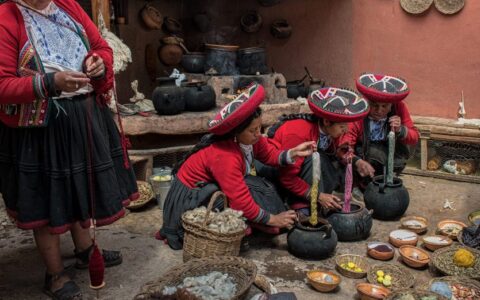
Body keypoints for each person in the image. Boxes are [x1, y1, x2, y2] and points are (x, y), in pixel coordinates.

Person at [0, 0, 138, 299]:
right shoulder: (7, 17)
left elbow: (102, 47)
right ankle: (54, 275)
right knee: (49, 200)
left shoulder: (67, 6)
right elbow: (2, 85)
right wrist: (50, 83)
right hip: (41, 127)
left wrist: (99, 62)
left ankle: (85, 250)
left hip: (84, 115)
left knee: (79, 187)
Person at [157, 83, 316, 250]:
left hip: (211, 186)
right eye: (252, 130)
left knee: (260, 185)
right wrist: (273, 219)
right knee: (241, 195)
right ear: (236, 133)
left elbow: (269, 155)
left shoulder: (252, 140)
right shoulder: (225, 155)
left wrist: (293, 153)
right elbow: (240, 201)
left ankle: (257, 222)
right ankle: (246, 227)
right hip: (191, 198)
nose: (258, 134)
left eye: (259, 128)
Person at [267, 87, 370, 214]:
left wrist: (357, 161)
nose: (346, 130)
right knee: (315, 157)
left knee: (332, 163)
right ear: (327, 121)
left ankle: (318, 201)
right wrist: (318, 196)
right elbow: (287, 177)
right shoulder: (299, 134)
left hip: (301, 172)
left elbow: (339, 151)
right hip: (278, 172)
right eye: (342, 126)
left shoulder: (331, 131)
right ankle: (300, 204)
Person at [338, 73, 420, 187]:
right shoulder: (359, 110)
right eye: (374, 105)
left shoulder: (399, 107)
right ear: (367, 102)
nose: (379, 110)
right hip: (364, 154)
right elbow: (344, 147)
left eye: (384, 106)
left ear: (391, 105)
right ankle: (359, 184)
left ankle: (383, 180)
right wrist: (357, 161)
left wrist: (400, 130)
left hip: (390, 154)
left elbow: (415, 137)